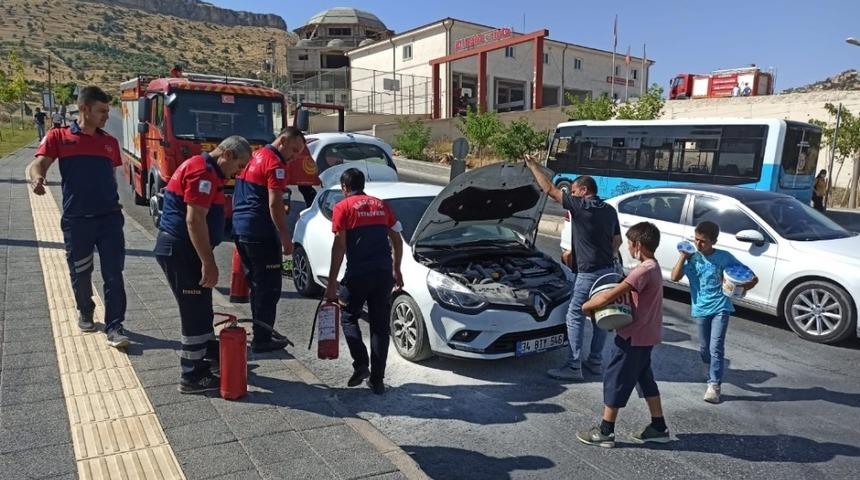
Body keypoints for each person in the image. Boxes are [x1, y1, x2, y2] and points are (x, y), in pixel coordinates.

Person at [28, 86, 130, 348]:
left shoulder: (109, 142)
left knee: (114, 274)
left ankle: (115, 326)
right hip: (78, 220)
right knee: (81, 272)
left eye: (107, 111)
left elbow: (111, 177)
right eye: (101, 111)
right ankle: (85, 309)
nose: (106, 116)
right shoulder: (59, 136)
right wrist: (37, 178)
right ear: (84, 108)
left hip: (109, 219)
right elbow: (38, 163)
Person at [155, 136, 251, 393]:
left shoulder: (207, 170)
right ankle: (192, 375)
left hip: (186, 250)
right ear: (227, 155)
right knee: (194, 313)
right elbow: (195, 220)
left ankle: (209, 356)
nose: (238, 173)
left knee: (202, 308)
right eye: (239, 165)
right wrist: (209, 263)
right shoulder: (203, 174)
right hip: (182, 250)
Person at [526, 160, 622, 381]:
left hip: (588, 272)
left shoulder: (581, 206)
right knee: (601, 315)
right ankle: (595, 362)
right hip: (608, 271)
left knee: (574, 315)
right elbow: (617, 241)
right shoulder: (609, 210)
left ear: (584, 190)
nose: (572, 194)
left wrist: (532, 166)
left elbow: (550, 189)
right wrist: (601, 253)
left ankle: (573, 366)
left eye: (575, 191)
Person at [578, 222, 670, 448]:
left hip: (633, 336)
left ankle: (605, 432)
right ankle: (658, 427)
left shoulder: (643, 270)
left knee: (615, 378)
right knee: (645, 379)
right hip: (647, 335)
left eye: (629, 244)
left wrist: (585, 307)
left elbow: (609, 296)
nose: (628, 248)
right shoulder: (654, 266)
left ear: (638, 244)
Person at [324, 168, 403, 395]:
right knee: (380, 326)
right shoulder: (381, 205)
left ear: (344, 187)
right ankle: (377, 381)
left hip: (358, 274)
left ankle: (361, 364)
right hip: (383, 275)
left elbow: (339, 246)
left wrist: (331, 282)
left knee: (348, 317)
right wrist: (396, 269)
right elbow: (397, 239)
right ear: (362, 185)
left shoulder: (343, 207)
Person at [232, 127, 306, 353]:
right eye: (294, 150)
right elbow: (275, 204)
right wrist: (285, 237)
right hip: (260, 232)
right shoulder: (275, 164)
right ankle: (262, 339)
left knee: (257, 284)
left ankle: (261, 330)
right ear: (282, 141)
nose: (294, 157)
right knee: (269, 287)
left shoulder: (256, 155)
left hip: (241, 229)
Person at [670, 221, 758, 403]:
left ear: (714, 241)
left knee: (716, 347)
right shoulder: (692, 258)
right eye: (696, 239)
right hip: (701, 308)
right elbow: (674, 277)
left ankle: (714, 385)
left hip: (721, 306)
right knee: (704, 347)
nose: (698, 244)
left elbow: (751, 277)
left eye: (703, 241)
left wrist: (742, 287)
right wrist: (683, 257)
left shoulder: (724, 257)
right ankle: (708, 366)